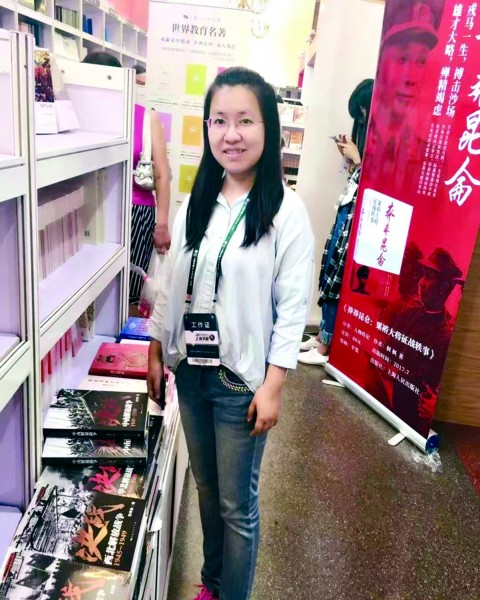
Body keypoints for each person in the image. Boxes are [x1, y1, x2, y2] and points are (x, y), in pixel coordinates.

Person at [147, 67, 314, 600]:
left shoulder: (285, 212)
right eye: (219, 121)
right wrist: (156, 347)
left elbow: (293, 306)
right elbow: (173, 283)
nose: (231, 134)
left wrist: (274, 384)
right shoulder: (199, 199)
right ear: (207, 128)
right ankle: (213, 583)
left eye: (245, 120)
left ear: (269, 128)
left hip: (241, 382)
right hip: (191, 374)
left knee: (236, 506)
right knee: (206, 489)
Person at [81, 52, 171, 313]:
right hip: (90, 211)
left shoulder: (146, 118)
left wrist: (162, 225)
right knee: (91, 283)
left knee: (131, 289)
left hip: (137, 212)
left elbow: (162, 174)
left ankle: (125, 337)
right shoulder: (80, 115)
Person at [298, 79, 374, 366]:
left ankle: (325, 345)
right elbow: (355, 179)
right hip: (347, 210)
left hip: (357, 217)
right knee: (330, 270)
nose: (362, 119)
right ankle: (323, 336)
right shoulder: (368, 136)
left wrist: (359, 162)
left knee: (338, 276)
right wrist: (351, 159)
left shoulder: (386, 140)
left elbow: (373, 187)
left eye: (363, 112)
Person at [364, 0, 445, 194]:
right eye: (402, 59)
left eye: (421, 61)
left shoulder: (433, 158)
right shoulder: (364, 139)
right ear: (380, 65)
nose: (412, 78)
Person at [388, 247, 463, 436]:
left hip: (411, 423)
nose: (421, 283)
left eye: (429, 278)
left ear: (444, 288)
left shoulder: (443, 338)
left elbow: (422, 389)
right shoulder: (410, 314)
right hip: (390, 405)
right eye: (423, 276)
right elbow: (389, 347)